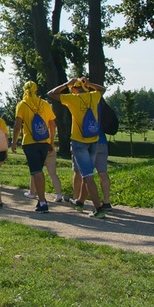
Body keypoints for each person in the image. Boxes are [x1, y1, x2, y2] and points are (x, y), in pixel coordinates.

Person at [48, 77, 107, 219]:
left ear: (73, 88)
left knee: (87, 176)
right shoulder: (93, 96)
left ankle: (98, 209)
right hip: (94, 140)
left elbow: (51, 94)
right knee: (88, 174)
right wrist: (90, 84)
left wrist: (64, 84)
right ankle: (80, 202)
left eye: (71, 88)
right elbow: (102, 89)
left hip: (79, 142)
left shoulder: (72, 99)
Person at [11, 81, 58, 214]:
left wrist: (14, 142)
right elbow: (52, 124)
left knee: (36, 171)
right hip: (44, 142)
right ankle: (41, 199)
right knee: (39, 170)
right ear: (36, 90)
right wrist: (52, 141)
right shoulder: (45, 104)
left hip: (30, 142)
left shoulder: (22, 105)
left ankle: (43, 202)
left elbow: (17, 126)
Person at [70, 100, 113, 211]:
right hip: (102, 140)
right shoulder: (97, 101)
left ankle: (77, 199)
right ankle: (106, 202)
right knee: (102, 173)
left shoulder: (79, 102)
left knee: (82, 173)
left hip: (86, 141)